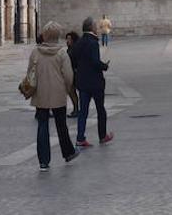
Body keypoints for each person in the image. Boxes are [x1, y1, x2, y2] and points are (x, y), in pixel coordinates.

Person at [28, 21, 79, 171]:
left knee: (42, 125)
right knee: (61, 124)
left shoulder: (35, 52)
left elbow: (30, 72)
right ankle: (68, 152)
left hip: (41, 93)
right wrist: (66, 88)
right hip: (58, 93)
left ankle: (43, 161)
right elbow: (69, 76)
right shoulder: (62, 53)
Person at [72, 16, 114, 147]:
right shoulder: (93, 42)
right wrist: (104, 66)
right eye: (95, 26)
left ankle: (80, 137)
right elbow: (95, 62)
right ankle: (102, 136)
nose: (97, 28)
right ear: (91, 27)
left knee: (83, 111)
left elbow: (72, 58)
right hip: (95, 82)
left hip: (82, 82)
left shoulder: (79, 42)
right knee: (100, 109)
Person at [64, 31, 81, 117]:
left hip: (75, 73)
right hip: (71, 72)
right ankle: (76, 109)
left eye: (69, 39)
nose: (67, 40)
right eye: (67, 39)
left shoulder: (74, 48)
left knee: (72, 92)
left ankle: (76, 109)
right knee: (72, 92)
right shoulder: (70, 48)